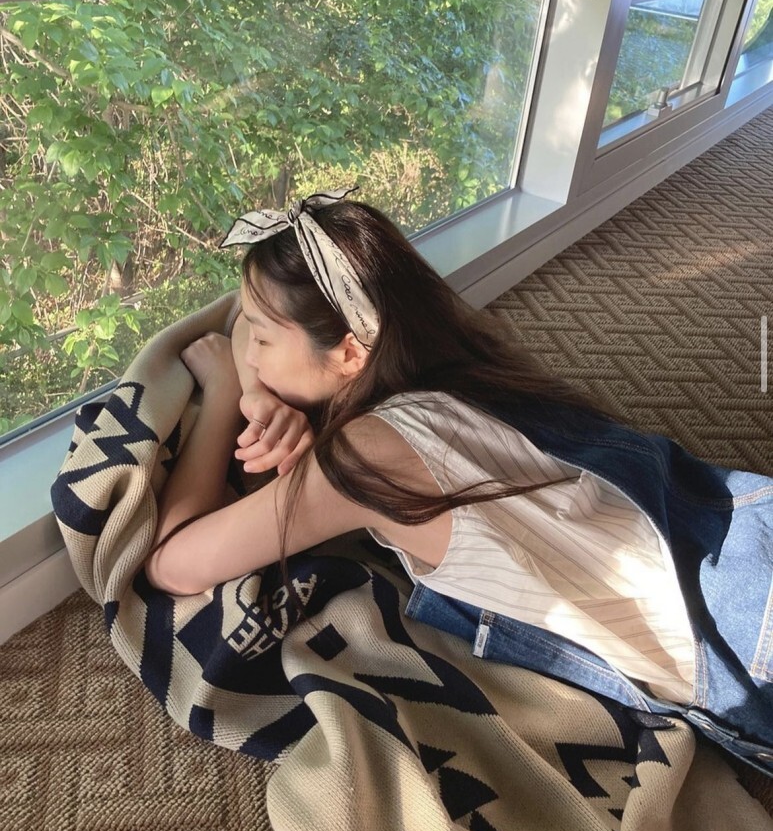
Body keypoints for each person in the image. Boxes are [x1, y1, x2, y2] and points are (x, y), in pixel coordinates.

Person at [143, 189, 773, 776]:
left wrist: (224, 393)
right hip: (740, 531)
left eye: (262, 338)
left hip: (741, 640)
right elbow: (242, 317)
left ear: (351, 352)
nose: (248, 349)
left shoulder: (362, 458)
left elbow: (171, 564)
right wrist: (259, 390)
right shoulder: (451, 358)